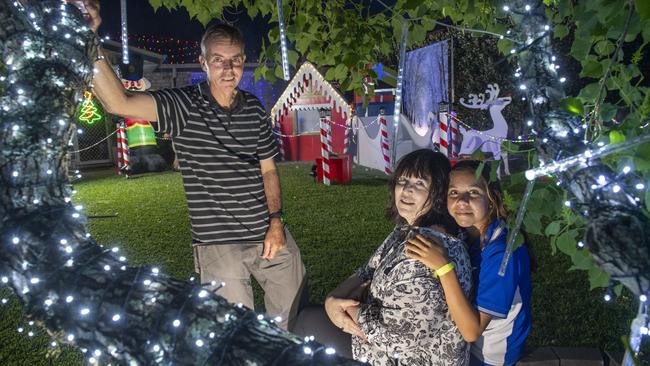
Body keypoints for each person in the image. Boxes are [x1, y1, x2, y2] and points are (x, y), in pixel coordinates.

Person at [81, 0, 306, 330]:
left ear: (244, 61)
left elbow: (268, 170)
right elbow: (118, 102)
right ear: (203, 62)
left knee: (295, 318)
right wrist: (91, 38)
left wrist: (276, 221)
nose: (228, 69)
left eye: (235, 61)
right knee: (232, 331)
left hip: (267, 231)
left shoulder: (255, 109)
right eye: (218, 61)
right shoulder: (184, 106)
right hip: (218, 243)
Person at [325, 149, 472, 365]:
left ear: (438, 192)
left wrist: (349, 309)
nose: (407, 189)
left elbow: (399, 340)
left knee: (305, 328)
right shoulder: (406, 230)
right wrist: (332, 300)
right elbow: (368, 269)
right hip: (378, 344)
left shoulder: (424, 250)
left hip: (408, 358)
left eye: (420, 183)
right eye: (402, 180)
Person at [405, 160, 533, 365]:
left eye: (473, 193)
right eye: (453, 193)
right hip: (455, 341)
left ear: (491, 198)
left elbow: (472, 331)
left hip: (487, 356)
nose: (462, 201)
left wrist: (444, 268)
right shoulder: (469, 234)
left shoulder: (502, 254)